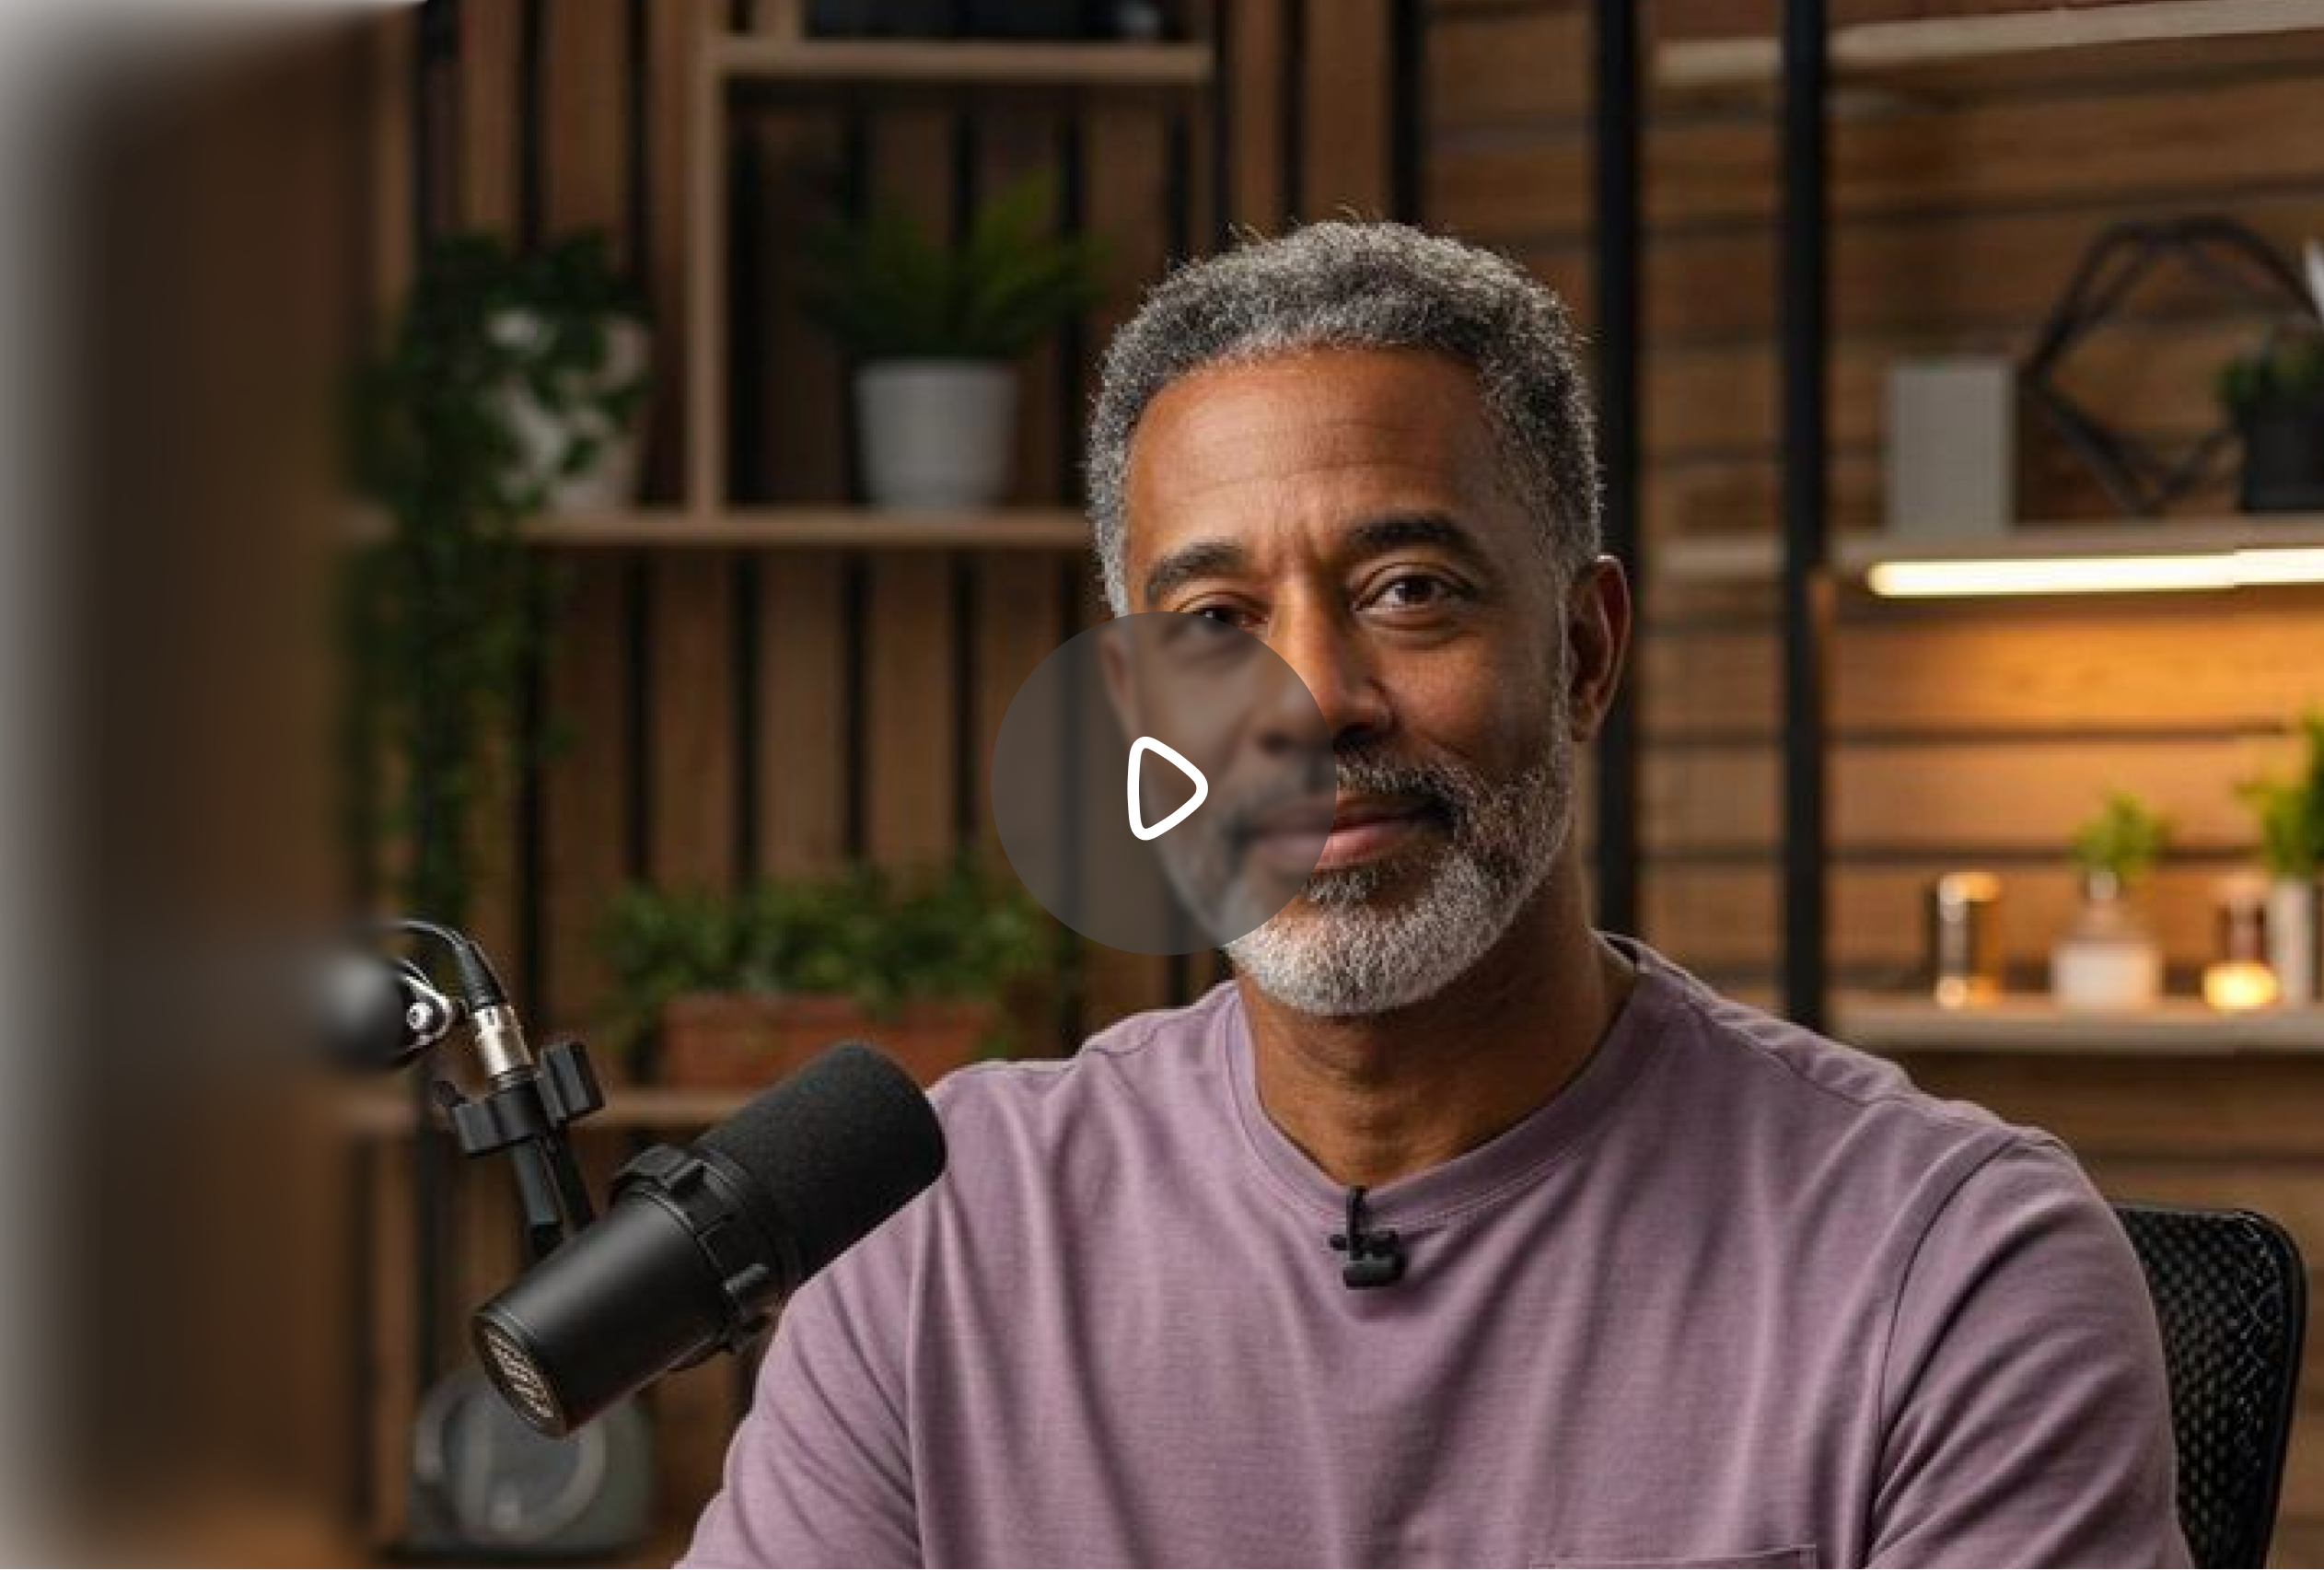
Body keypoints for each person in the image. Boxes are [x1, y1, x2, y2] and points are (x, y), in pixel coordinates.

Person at [676, 222, 2189, 1569]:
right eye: (1214, 622)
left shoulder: (1947, 1268)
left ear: (1585, 652)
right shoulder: (932, 1238)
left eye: (1411, 590)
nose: (1313, 698)